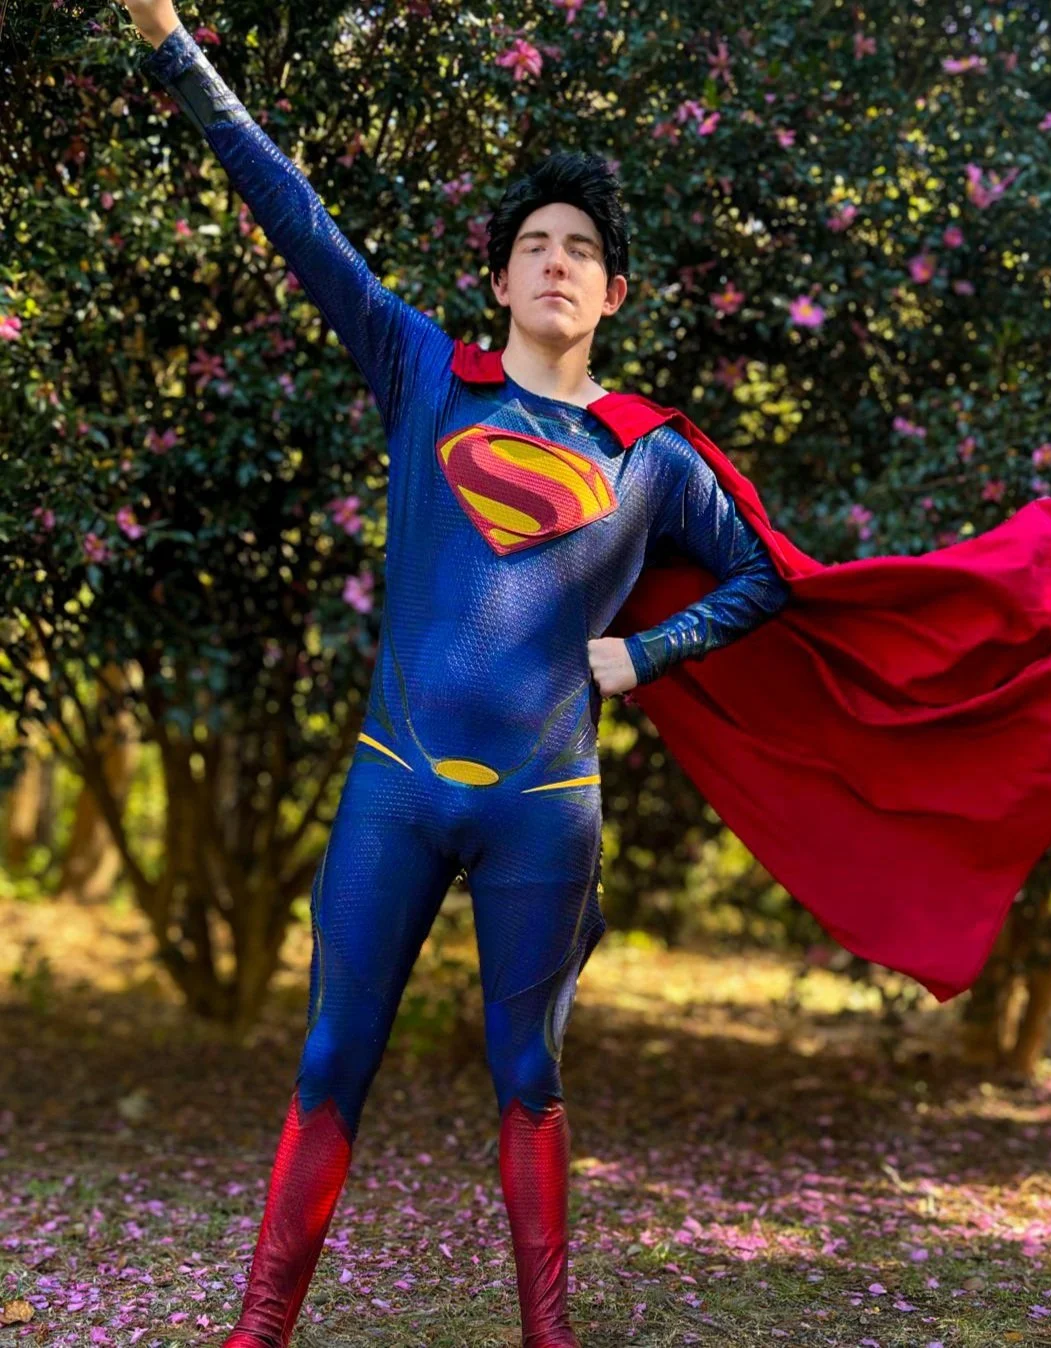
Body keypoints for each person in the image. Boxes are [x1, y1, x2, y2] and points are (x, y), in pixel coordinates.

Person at [123, 6, 793, 1346]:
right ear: (497, 280)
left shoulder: (651, 454)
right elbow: (296, 217)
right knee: (327, 1067)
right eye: (533, 245)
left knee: (529, 1076)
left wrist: (645, 652)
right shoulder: (427, 375)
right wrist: (169, 41)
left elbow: (765, 575)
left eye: (583, 251)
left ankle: (550, 1340)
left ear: (615, 297)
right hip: (392, 790)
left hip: (545, 805)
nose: (556, 262)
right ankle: (255, 1338)